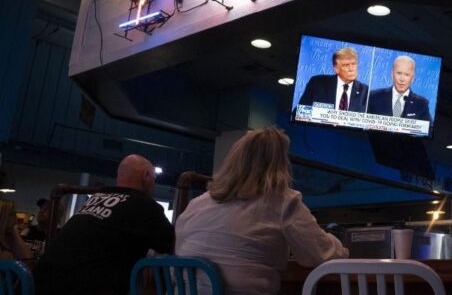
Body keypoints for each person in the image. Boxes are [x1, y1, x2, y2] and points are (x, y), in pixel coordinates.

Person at [175, 126, 349, 295]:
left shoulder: (196, 204)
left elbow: (179, 250)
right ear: (280, 165)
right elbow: (319, 255)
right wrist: (342, 249)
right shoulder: (283, 202)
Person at [34, 154, 174, 295]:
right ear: (146, 175)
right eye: (154, 180)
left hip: (39, 285)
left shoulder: (96, 198)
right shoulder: (144, 204)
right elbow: (173, 244)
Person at [298, 47, 369, 112]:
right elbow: (300, 112)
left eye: (354, 64)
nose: (351, 69)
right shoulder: (317, 84)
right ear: (336, 68)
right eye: (346, 65)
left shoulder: (365, 91)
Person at [367, 55, 432, 122]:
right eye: (399, 73)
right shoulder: (374, 97)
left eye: (407, 75)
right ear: (392, 74)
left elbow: (428, 130)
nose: (402, 79)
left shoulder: (421, 104)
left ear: (412, 78)